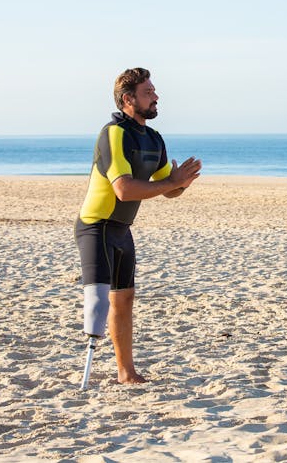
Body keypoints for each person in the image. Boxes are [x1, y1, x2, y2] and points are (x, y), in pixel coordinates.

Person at [75, 67, 201, 384]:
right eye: (149, 92)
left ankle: (125, 372)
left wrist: (180, 183)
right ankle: (88, 374)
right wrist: (171, 182)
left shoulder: (153, 138)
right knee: (99, 302)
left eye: (154, 90)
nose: (156, 97)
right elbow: (124, 189)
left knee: (125, 298)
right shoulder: (114, 134)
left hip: (121, 229)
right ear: (128, 99)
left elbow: (166, 189)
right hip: (96, 226)